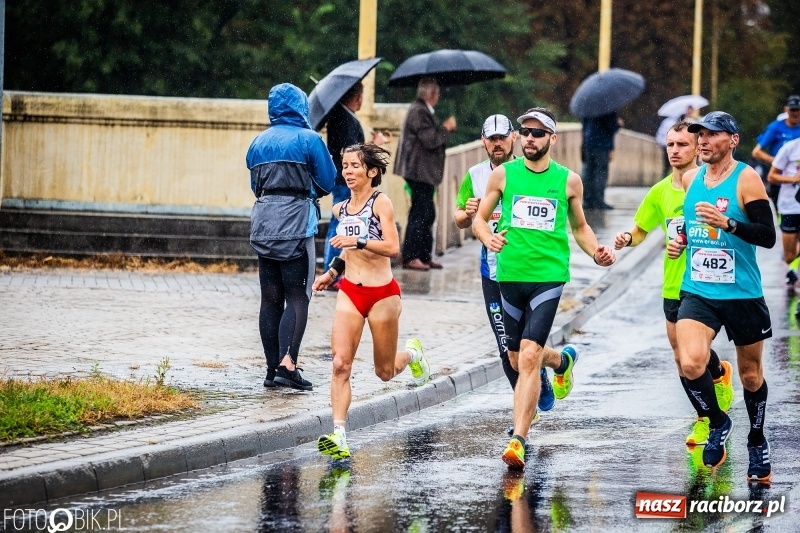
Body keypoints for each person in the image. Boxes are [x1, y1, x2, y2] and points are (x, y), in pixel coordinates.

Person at [472, 107, 616, 468]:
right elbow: (477, 218)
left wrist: (595, 249)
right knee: (517, 358)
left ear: (553, 138)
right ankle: (563, 360)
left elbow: (580, 226)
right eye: (526, 132)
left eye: (538, 133)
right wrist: (487, 235)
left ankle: (519, 438)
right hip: (509, 275)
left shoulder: (568, 181)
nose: (530, 138)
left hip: (549, 276)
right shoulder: (503, 175)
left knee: (530, 356)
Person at [667, 111, 776, 482]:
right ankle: (717, 421)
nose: (703, 141)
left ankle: (757, 441)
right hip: (699, 288)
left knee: (749, 375)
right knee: (690, 361)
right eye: (700, 135)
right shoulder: (690, 177)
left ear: (732, 140)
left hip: (742, 292)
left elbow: (767, 235)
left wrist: (728, 223)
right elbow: (689, 223)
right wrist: (679, 241)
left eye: (711, 135)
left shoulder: (747, 178)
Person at [613, 120, 734, 447]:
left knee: (691, 356)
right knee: (684, 358)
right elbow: (641, 229)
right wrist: (627, 237)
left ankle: (705, 421)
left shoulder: (711, 187)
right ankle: (718, 375)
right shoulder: (660, 191)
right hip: (672, 286)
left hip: (707, 284)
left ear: (698, 147)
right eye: (670, 144)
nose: (675, 150)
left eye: (682, 144)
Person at [313, 143, 431, 460]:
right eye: (345, 165)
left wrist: (359, 239)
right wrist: (331, 272)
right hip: (351, 291)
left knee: (385, 371)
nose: (348, 171)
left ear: (372, 171)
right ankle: (339, 434)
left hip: (382, 294)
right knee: (340, 364)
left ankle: (412, 354)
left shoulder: (382, 203)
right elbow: (345, 251)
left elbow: (393, 247)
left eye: (354, 166)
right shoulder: (340, 209)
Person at [453, 114, 555, 427]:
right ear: (483, 142)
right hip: (493, 273)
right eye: (491, 138)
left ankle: (549, 367)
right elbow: (458, 217)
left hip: (530, 272)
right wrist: (468, 213)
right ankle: (528, 407)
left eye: (502, 137)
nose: (497, 144)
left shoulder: (528, 171)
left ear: (513, 138)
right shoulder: (475, 174)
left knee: (528, 344)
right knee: (506, 349)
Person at [247, 83, 336, 391]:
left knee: (270, 298)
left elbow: (254, 186)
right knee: (298, 296)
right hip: (297, 224)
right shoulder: (309, 139)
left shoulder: (258, 142)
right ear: (301, 106)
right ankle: (289, 364)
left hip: (263, 224)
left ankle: (272, 370)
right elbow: (327, 181)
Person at [321, 82, 388, 282]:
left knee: (344, 222)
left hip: (343, 178)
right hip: (345, 180)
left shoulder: (344, 117)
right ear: (357, 97)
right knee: (341, 223)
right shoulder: (344, 119)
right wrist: (374, 145)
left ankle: (335, 269)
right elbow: (352, 152)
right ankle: (331, 270)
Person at [393, 77, 457, 271]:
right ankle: (412, 256)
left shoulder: (421, 111)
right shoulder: (419, 111)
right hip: (417, 171)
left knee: (427, 213)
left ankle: (423, 255)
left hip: (422, 171)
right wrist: (446, 128)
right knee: (420, 213)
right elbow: (430, 140)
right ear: (432, 94)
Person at [751, 95, 800, 213]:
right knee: (783, 216)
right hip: (779, 181)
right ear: (786, 110)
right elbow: (756, 152)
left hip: (797, 183)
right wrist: (778, 162)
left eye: (798, 110)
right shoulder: (776, 127)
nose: (795, 113)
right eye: (792, 109)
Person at [767, 136, 800, 289]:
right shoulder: (791, 147)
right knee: (789, 256)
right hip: (790, 207)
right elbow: (771, 176)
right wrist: (793, 178)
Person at [581, 111, 623, 210]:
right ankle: (599, 201)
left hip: (588, 143)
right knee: (601, 172)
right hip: (602, 145)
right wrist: (618, 124)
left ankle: (587, 201)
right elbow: (612, 126)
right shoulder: (608, 107)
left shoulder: (588, 107)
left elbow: (584, 126)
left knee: (588, 172)